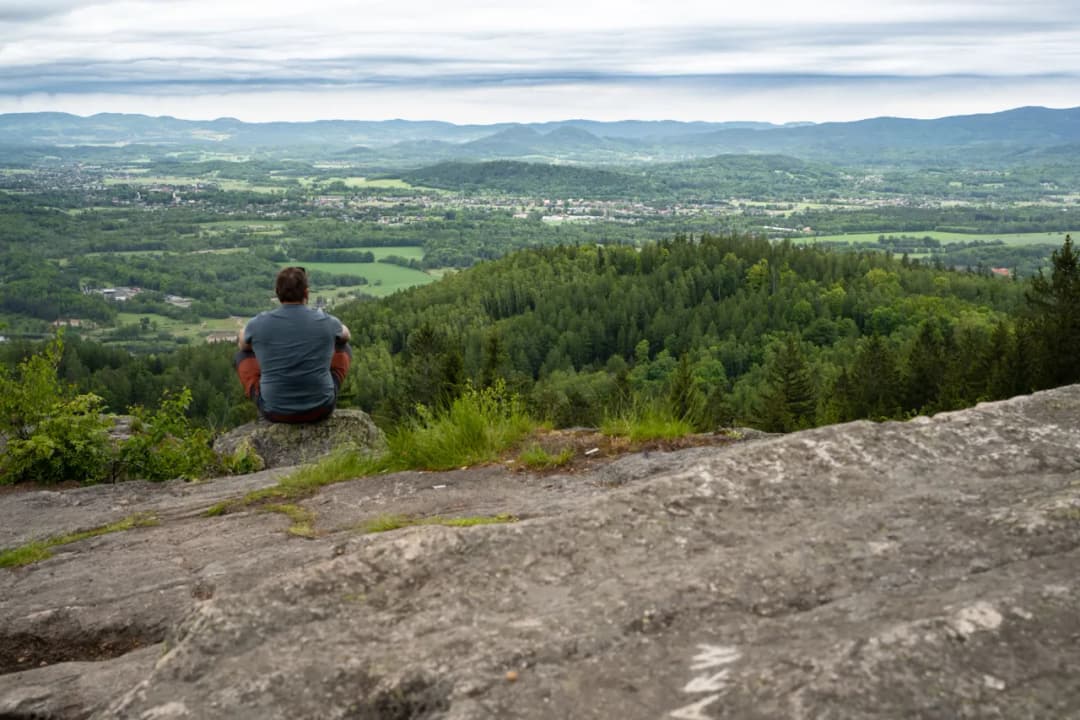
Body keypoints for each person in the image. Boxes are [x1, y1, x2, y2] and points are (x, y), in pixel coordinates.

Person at [234, 267, 352, 423]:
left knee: (242, 356)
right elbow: (346, 335)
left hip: (275, 412)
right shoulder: (325, 320)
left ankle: (267, 395)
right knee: (344, 348)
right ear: (307, 293)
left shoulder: (259, 323)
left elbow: (242, 345)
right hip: (321, 409)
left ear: (277, 292)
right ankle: (320, 390)